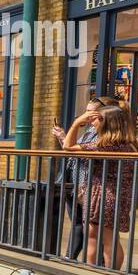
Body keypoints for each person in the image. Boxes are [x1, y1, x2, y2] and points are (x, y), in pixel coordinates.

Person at [67, 104, 138, 269]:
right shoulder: (129, 143)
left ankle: (103, 273)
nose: (92, 123)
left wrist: (76, 123)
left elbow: (67, 147)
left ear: (109, 123)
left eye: (97, 120)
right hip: (115, 193)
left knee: (104, 238)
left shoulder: (107, 144)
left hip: (104, 193)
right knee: (102, 236)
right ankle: (100, 271)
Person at [53, 95, 113, 261]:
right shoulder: (90, 130)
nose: (85, 115)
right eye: (85, 111)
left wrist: (75, 124)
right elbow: (71, 149)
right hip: (75, 180)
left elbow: (74, 149)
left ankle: (99, 263)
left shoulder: (106, 134)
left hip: (90, 183)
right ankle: (70, 257)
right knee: (77, 221)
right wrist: (63, 136)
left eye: (89, 112)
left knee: (93, 227)